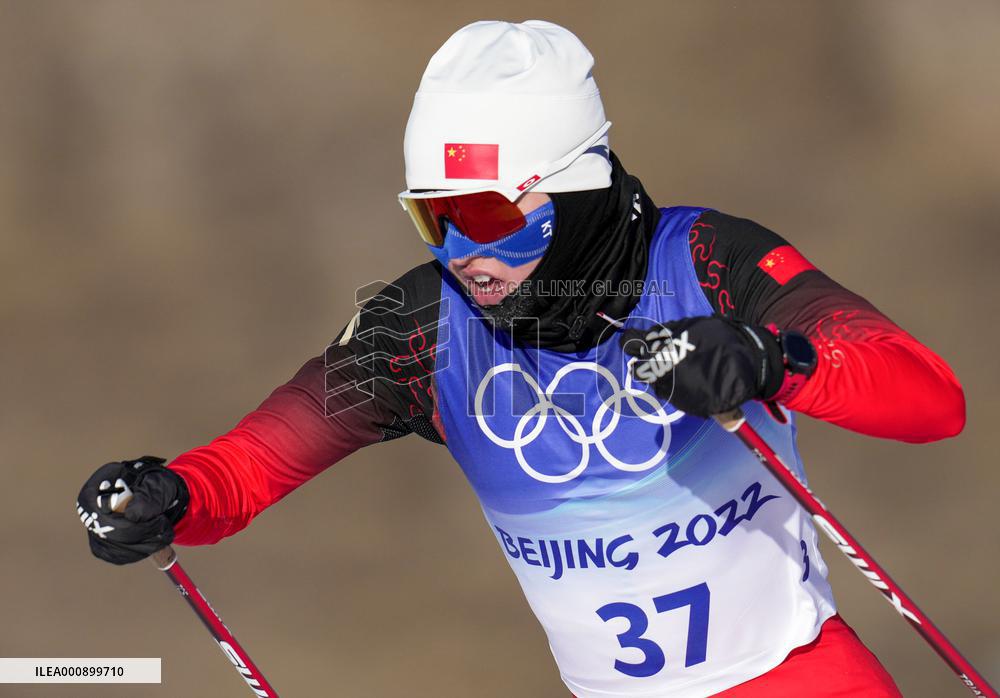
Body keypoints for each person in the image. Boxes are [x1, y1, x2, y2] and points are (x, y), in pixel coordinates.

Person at [76, 20, 965, 697]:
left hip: (798, 679)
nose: (463, 250)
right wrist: (169, 496)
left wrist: (770, 363)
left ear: (572, 194)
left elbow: (930, 400)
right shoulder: (424, 329)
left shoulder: (703, 263)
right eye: (434, 218)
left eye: (489, 215)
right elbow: (256, 462)